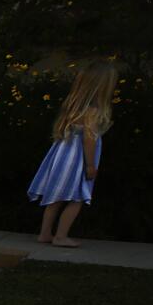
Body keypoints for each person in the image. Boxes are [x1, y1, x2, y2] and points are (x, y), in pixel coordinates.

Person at [31, 60, 116, 248]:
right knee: (77, 197)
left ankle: (45, 233)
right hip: (77, 159)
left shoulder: (74, 106)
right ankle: (61, 236)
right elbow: (89, 139)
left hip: (62, 155)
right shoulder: (93, 110)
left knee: (55, 196)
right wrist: (90, 165)